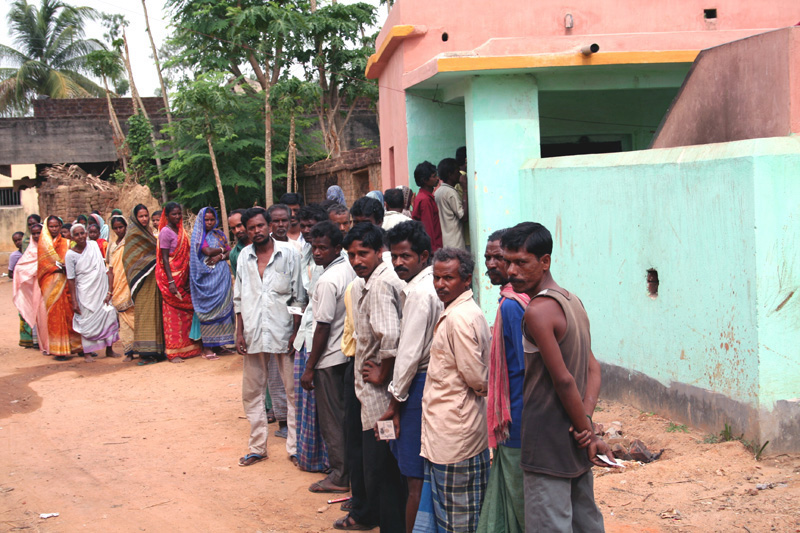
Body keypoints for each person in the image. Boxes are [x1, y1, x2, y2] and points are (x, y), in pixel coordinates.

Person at [501, 222, 612, 533]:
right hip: (571, 434)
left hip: (546, 438)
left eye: (521, 262)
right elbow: (593, 369)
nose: (512, 271)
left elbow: (563, 379)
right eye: (508, 262)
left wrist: (584, 429)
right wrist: (585, 422)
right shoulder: (572, 301)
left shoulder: (537, 311)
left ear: (545, 261)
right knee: (585, 521)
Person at [336, 222, 406, 532]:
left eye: (363, 253)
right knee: (381, 464)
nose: (356, 261)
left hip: (381, 399)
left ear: (380, 252)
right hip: (375, 396)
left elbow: (390, 336)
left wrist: (383, 370)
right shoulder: (374, 280)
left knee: (383, 466)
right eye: (351, 255)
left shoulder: (379, 285)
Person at [416, 247, 491, 533]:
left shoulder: (459, 318)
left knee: (459, 520)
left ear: (466, 279)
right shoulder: (458, 312)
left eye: (447, 278)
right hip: (448, 432)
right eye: (436, 278)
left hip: (456, 435)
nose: (440, 285)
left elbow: (477, 378)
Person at [378, 220, 442, 533]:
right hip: (425, 385)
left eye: (406, 256)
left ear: (424, 256)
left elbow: (408, 354)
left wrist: (394, 402)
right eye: (394, 256)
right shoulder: (429, 286)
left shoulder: (420, 293)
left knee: (414, 476)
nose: (399, 262)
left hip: (417, 385)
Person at [234, 207, 306, 467]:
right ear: (246, 230)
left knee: (292, 392)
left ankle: (296, 448)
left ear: (268, 225)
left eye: (260, 226)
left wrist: (296, 331)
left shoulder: (289, 254)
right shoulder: (244, 257)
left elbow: (299, 296)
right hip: (253, 332)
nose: (257, 231)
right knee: (252, 393)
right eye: (251, 228)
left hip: (283, 332)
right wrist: (239, 332)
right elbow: (239, 297)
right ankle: (257, 447)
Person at [477, 230, 530, 533]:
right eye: (489, 257)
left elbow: (525, 371)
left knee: (519, 504)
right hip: (511, 420)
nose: (494, 264)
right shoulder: (510, 301)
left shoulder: (513, 305)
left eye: (501, 257)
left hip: (516, 421)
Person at [300, 221, 355, 492]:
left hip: (329, 358)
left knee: (333, 421)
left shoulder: (327, 280)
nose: (317, 253)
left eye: (323, 248)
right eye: (314, 247)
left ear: (337, 248)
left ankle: (339, 475)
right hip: (346, 356)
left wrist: (310, 367)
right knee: (345, 418)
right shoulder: (350, 269)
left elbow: (322, 325)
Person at [293, 205, 332, 473]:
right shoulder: (303, 254)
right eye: (304, 226)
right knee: (305, 402)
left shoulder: (328, 263)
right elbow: (300, 298)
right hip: (304, 336)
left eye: (312, 226)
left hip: (321, 338)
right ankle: (310, 457)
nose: (307, 231)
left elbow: (324, 316)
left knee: (324, 405)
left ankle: (330, 461)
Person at [65, 224, 120, 362]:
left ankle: (109, 349)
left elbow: (103, 268)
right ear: (72, 237)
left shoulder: (94, 246)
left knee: (107, 316)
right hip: (85, 292)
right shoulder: (70, 255)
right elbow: (71, 279)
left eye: (82, 233)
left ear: (86, 233)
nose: (80, 237)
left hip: (101, 288)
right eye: (76, 235)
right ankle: (87, 353)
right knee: (87, 321)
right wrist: (74, 301)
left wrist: (108, 290)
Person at [156, 202, 202, 362]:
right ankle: (174, 352)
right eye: (173, 214)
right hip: (172, 279)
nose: (177, 217)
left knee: (188, 314)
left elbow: (187, 255)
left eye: (179, 214)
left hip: (184, 278)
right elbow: (164, 259)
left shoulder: (182, 231)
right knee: (173, 316)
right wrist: (170, 281)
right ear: (167, 215)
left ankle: (191, 348)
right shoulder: (165, 233)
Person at [190, 207, 235, 360]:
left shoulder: (219, 234)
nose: (209, 222)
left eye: (212, 219)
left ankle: (219, 345)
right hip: (206, 280)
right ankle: (207, 347)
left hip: (222, 278)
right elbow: (207, 252)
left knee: (224, 309)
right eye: (206, 220)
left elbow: (230, 252)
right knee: (208, 311)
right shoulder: (198, 236)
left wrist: (220, 256)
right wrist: (222, 251)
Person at [124, 205, 166, 365]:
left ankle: (158, 350)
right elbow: (129, 259)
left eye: (146, 216)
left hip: (154, 280)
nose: (144, 219)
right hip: (141, 281)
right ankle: (146, 353)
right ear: (136, 217)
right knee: (145, 314)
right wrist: (150, 261)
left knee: (157, 312)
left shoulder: (149, 232)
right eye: (141, 216)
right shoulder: (133, 235)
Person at [38, 216, 81, 361]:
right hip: (51, 284)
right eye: (51, 226)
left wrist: (66, 267)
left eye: (56, 226)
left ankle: (76, 346)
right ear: (47, 227)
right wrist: (57, 267)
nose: (54, 229)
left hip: (67, 283)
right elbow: (42, 266)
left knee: (70, 313)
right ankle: (59, 350)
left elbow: (75, 260)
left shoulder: (68, 243)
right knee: (55, 315)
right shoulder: (43, 245)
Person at [12, 226, 48, 352]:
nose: (37, 235)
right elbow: (21, 268)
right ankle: (39, 341)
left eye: (39, 233)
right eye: (34, 233)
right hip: (37, 288)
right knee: (39, 313)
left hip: (51, 285)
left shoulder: (50, 248)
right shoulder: (30, 252)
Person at [108, 215, 136, 362]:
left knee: (134, 316)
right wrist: (109, 290)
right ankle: (129, 352)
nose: (119, 230)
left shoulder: (131, 242)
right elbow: (110, 269)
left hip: (130, 284)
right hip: (118, 287)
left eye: (121, 227)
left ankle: (140, 348)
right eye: (116, 228)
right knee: (123, 321)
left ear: (126, 227)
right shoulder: (112, 246)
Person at [434, 158, 468, 250]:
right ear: (450, 174)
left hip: (444, 242)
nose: (460, 174)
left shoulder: (438, 192)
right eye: (457, 172)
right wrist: (465, 189)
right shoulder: (451, 193)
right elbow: (463, 216)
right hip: (455, 244)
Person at [411, 161, 443, 252]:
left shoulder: (425, 197)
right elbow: (428, 228)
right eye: (434, 176)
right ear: (425, 180)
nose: (437, 178)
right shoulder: (425, 200)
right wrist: (432, 251)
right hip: (432, 249)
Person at [228, 208, 249, 275]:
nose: (237, 230)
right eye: (233, 228)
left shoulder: (264, 246)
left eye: (239, 225)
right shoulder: (234, 254)